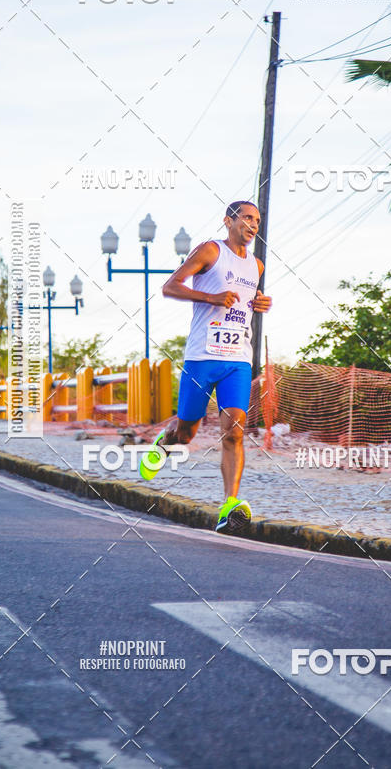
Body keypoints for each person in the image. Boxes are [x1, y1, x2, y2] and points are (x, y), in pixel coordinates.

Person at [139, 201, 272, 533]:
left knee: (235, 430)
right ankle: (166, 442)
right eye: (247, 218)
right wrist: (210, 298)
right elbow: (170, 287)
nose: (253, 225)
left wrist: (261, 304)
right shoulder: (211, 251)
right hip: (202, 356)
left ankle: (229, 506)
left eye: (257, 220)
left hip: (237, 359)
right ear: (228, 221)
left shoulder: (257, 265)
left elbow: (247, 301)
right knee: (187, 433)